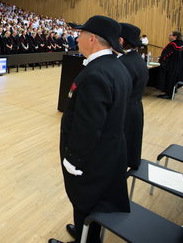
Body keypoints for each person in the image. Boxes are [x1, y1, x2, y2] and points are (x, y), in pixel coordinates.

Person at [49, 15, 131, 243]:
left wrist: (73, 160)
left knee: (85, 199)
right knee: (93, 203)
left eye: (81, 34)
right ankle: (84, 231)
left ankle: (86, 238)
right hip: (108, 152)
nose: (77, 38)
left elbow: (88, 126)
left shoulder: (96, 74)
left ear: (92, 38)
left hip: (91, 159)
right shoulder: (116, 66)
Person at [118, 23, 148, 170]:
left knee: (121, 147)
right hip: (136, 107)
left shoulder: (123, 63)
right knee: (132, 142)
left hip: (125, 109)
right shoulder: (138, 59)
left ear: (121, 41)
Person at [157, 30, 183, 99]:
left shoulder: (172, 44)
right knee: (173, 79)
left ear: (175, 37)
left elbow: (167, 55)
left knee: (169, 79)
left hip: (171, 65)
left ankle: (168, 94)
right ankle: (172, 91)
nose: (169, 36)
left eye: (170, 35)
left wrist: (161, 59)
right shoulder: (181, 44)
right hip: (179, 65)